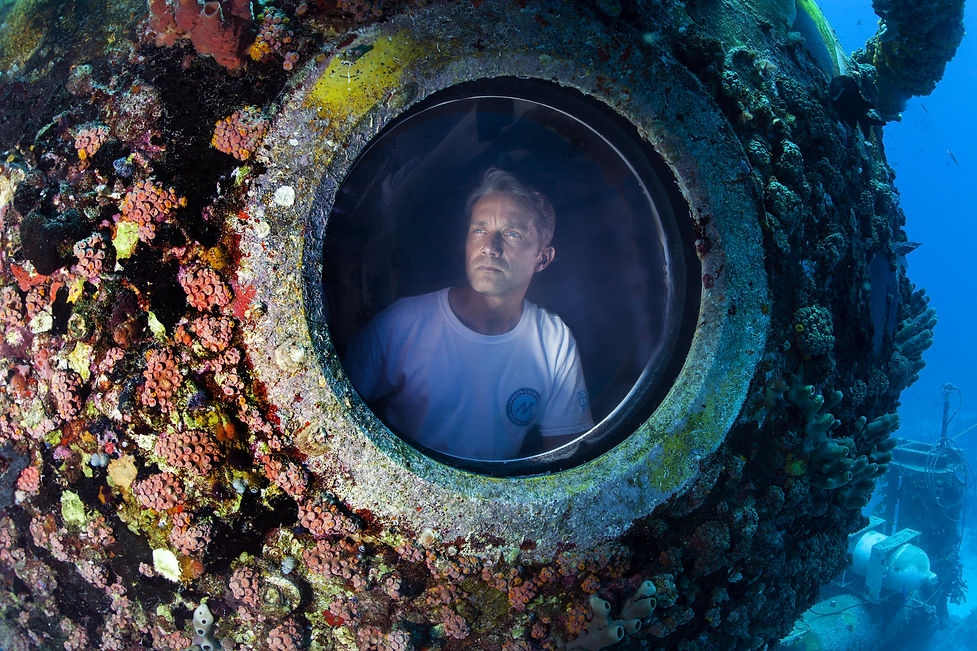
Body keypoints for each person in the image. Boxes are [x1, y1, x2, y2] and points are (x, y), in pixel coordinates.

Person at [343, 168, 593, 460]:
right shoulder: (401, 324)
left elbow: (568, 460)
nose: (490, 247)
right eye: (479, 230)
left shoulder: (554, 341)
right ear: (466, 243)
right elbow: (334, 417)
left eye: (512, 234)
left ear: (542, 258)